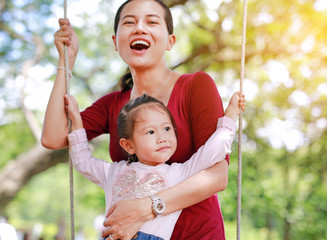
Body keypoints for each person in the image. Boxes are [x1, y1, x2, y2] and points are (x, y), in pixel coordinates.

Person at [41, 0, 246, 239]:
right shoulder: (112, 104)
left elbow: (217, 175)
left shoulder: (195, 86)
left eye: (151, 21)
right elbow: (53, 137)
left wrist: (147, 207)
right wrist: (66, 61)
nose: (139, 28)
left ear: (170, 41)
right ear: (115, 42)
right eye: (129, 22)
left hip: (197, 233)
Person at [65, 92, 243, 240]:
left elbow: (214, 150)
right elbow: (82, 161)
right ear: (129, 146)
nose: (162, 137)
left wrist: (231, 114)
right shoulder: (113, 171)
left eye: (167, 128)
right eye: (151, 131)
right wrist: (76, 119)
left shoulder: (180, 173)